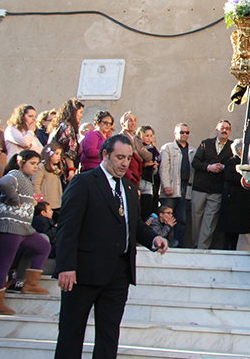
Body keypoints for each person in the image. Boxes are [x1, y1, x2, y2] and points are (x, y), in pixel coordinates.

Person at [53, 134, 169, 359]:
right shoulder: (83, 182)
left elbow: (133, 224)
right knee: (71, 333)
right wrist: (66, 266)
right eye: (119, 157)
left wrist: (153, 239)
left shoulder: (128, 188)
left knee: (109, 335)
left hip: (118, 273)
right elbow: (67, 228)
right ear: (105, 155)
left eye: (128, 158)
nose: (125, 163)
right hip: (83, 273)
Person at [0, 150, 52, 315]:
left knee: (43, 247)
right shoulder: (15, 174)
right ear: (21, 162)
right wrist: (14, 199)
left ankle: (31, 285)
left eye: (37, 164)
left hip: (24, 228)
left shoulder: (25, 179)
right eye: (32, 163)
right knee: (4, 262)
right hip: (10, 226)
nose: (35, 167)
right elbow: (3, 183)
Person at [190, 120, 233, 249]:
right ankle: (195, 245)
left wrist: (223, 167)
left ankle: (203, 248)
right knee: (196, 219)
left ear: (229, 131)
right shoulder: (205, 144)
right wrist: (209, 167)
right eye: (222, 128)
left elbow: (234, 165)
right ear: (216, 129)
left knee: (210, 221)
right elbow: (195, 163)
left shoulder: (231, 147)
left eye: (227, 128)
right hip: (200, 188)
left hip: (217, 190)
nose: (224, 130)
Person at [159, 123, 196, 247]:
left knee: (181, 219)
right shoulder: (168, 148)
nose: (184, 135)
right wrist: (166, 186)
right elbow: (164, 168)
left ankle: (178, 245)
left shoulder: (192, 151)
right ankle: (164, 243)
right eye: (181, 132)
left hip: (185, 188)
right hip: (171, 187)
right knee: (166, 217)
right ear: (175, 133)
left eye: (187, 132)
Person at [215, 139, 250, 250]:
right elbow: (230, 177)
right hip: (232, 198)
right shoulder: (231, 161)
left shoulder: (247, 163)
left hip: (242, 198)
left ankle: (234, 248)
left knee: (237, 227)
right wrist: (244, 179)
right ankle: (227, 249)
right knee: (230, 226)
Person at [48, 97, 85, 180]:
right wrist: (71, 170)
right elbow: (69, 151)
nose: (81, 115)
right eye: (80, 112)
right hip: (62, 168)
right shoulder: (68, 127)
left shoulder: (59, 125)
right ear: (73, 112)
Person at [33, 142, 65, 219]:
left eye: (60, 154)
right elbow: (35, 184)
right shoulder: (41, 167)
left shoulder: (56, 168)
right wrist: (40, 202)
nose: (59, 157)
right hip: (47, 202)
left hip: (57, 201)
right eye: (56, 154)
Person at [136, 125, 160, 221]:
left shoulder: (153, 149)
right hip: (139, 180)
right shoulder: (138, 147)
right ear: (140, 135)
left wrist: (154, 167)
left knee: (147, 209)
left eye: (150, 136)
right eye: (146, 135)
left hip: (149, 182)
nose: (149, 138)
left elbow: (156, 167)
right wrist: (144, 164)